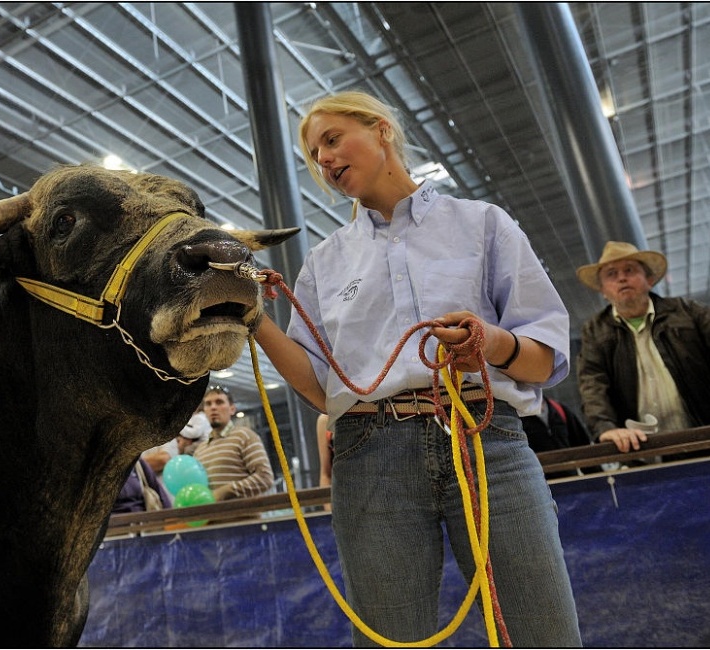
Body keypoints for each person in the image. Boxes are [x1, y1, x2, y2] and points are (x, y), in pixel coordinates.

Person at [253, 90, 581, 646]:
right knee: (389, 638)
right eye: (314, 155)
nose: (325, 160)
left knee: (542, 632)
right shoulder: (323, 262)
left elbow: (544, 357)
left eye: (332, 139)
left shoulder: (483, 224)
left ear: (381, 129)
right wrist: (252, 317)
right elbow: (319, 388)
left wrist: (491, 342)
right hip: (368, 453)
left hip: (486, 440)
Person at [576, 240, 710, 453]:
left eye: (629, 270)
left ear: (649, 279)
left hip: (702, 435)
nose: (621, 278)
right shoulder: (594, 332)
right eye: (611, 274)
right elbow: (593, 382)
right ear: (603, 290)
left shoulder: (687, 312)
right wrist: (605, 427)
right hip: (641, 450)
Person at [192, 385, 274, 502]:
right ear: (204, 411)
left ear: (232, 409)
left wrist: (226, 491)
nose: (213, 407)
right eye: (208, 404)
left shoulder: (245, 436)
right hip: (212, 519)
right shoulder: (200, 450)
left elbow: (265, 478)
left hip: (244, 519)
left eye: (219, 402)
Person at [521, 396, 594, 454]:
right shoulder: (517, 419)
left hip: (570, 470)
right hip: (538, 471)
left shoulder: (559, 408)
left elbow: (582, 447)